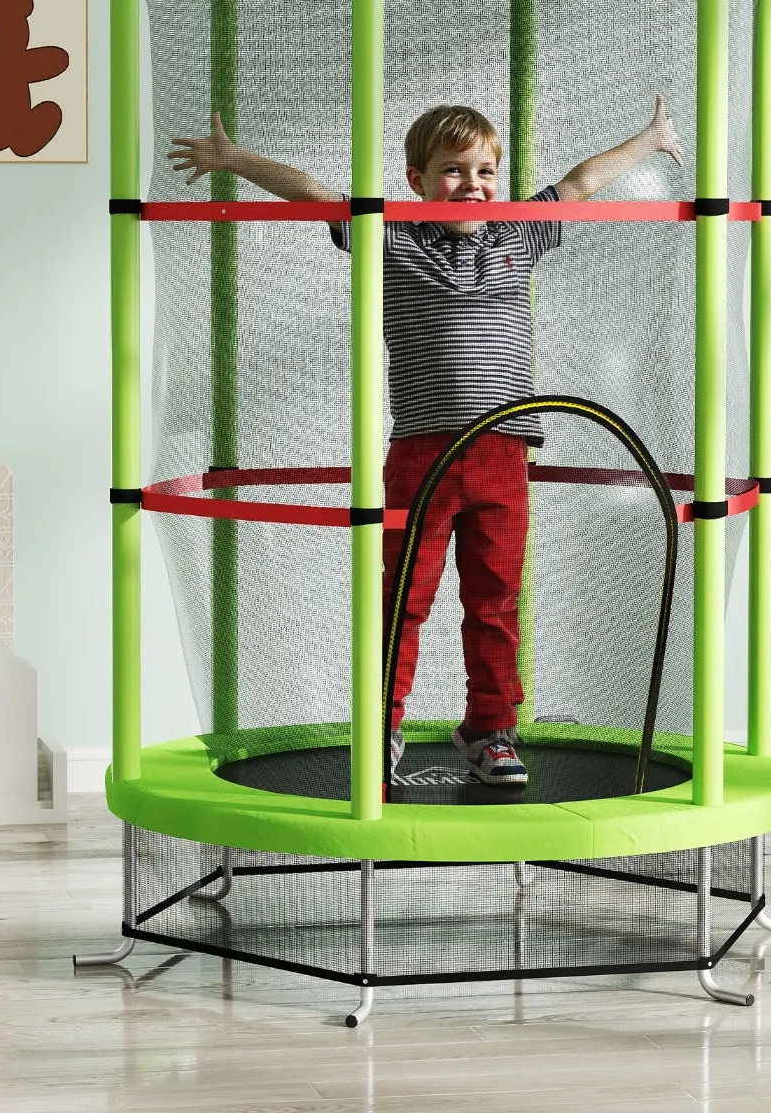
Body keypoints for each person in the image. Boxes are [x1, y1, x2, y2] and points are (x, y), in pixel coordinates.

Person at [168, 99, 681, 784]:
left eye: (485, 171)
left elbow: (582, 181)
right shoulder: (395, 238)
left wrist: (648, 139)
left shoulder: (518, 232)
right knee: (402, 598)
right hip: (422, 454)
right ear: (417, 180)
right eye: (453, 171)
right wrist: (234, 160)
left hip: (503, 453)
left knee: (495, 601)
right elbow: (316, 195)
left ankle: (491, 731)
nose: (473, 184)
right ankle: (381, 724)